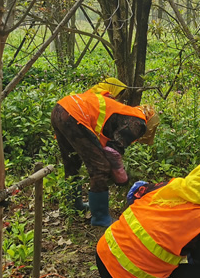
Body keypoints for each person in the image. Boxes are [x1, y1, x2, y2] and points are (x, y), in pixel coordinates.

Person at [51, 78, 159, 226]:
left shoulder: (122, 112)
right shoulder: (138, 122)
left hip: (61, 108)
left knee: (72, 162)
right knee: (100, 167)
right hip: (75, 115)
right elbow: (112, 151)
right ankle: (100, 218)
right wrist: (121, 177)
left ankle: (74, 206)